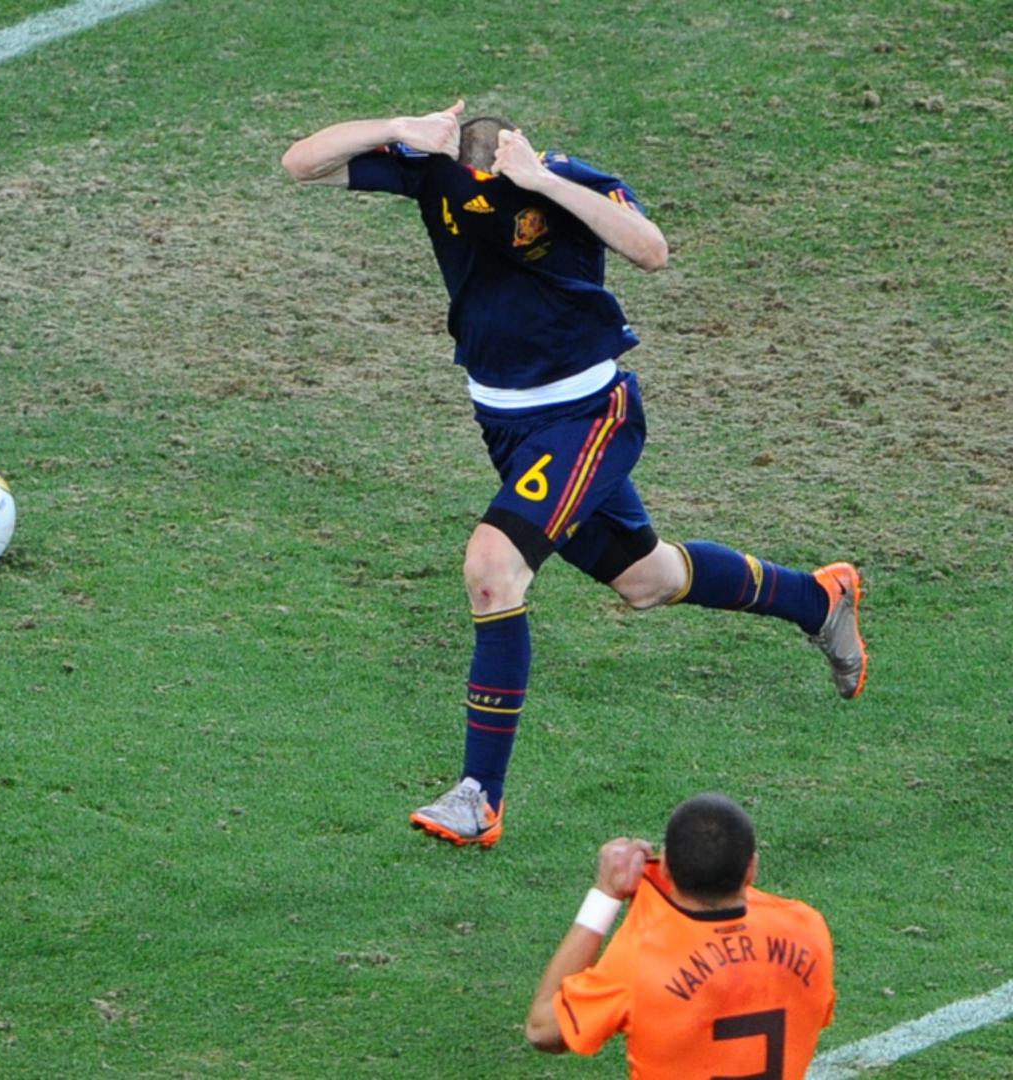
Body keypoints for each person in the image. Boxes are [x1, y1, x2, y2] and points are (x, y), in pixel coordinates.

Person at [281, 100, 868, 847]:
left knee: (492, 568)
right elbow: (301, 163)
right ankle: (818, 599)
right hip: (508, 427)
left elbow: (651, 250)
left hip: (590, 416)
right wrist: (399, 129)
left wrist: (543, 183)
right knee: (647, 579)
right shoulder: (432, 169)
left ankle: (478, 797)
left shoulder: (564, 178)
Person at [525, 793, 835, 1078]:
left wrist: (606, 894)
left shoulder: (643, 961)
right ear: (752, 869)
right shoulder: (808, 929)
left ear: (666, 868)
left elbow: (542, 1030)